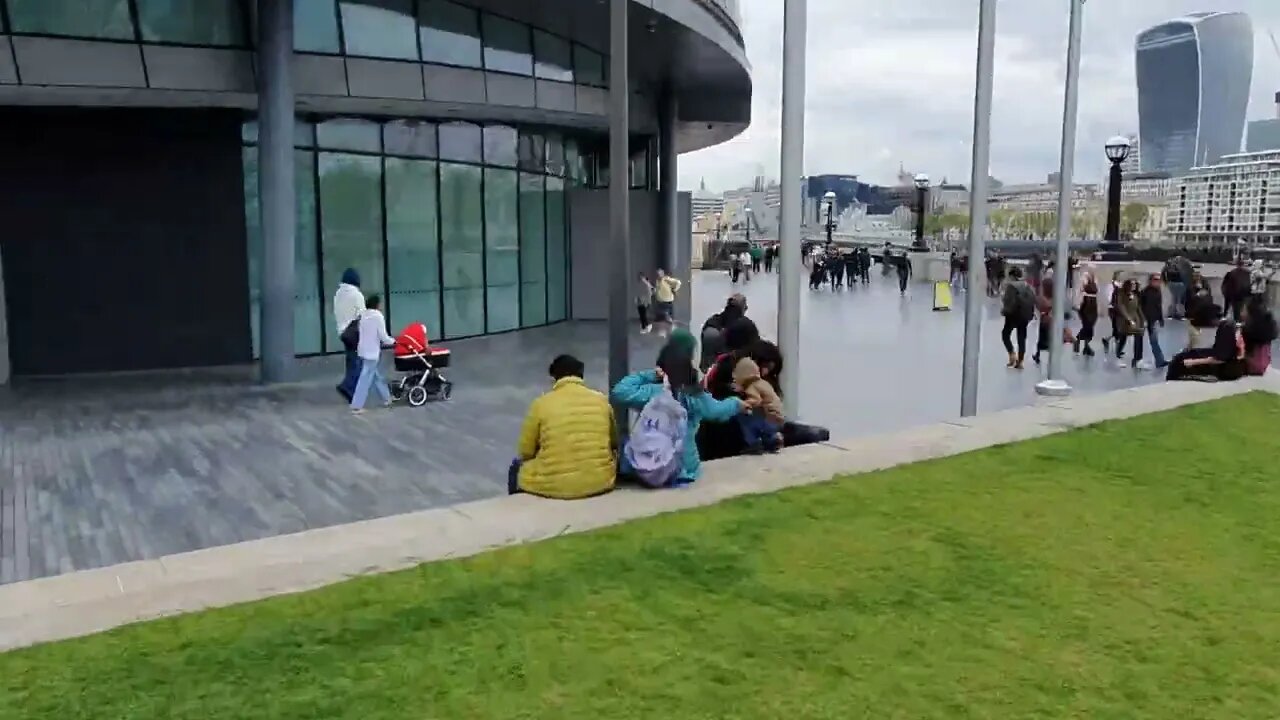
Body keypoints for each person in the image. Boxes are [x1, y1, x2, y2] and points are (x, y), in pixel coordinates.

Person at [611, 341, 746, 486]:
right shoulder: (696, 396)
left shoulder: (653, 392)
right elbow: (717, 411)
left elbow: (619, 392)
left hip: (649, 464)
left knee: (626, 441)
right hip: (684, 467)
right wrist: (737, 403)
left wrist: (650, 375)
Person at [510, 354, 616, 498]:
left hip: (555, 485)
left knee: (516, 467)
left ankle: (516, 503)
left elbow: (525, 452)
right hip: (601, 481)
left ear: (554, 378)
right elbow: (614, 441)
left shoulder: (540, 404)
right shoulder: (601, 400)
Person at [732, 340, 785, 453]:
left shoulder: (757, 383)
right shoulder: (756, 381)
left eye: (770, 370)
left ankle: (754, 442)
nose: (765, 372)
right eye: (764, 366)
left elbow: (755, 401)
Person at [349, 294, 395, 414]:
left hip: (363, 350)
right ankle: (356, 406)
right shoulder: (377, 316)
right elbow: (383, 336)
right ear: (377, 304)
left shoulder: (363, 315)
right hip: (372, 352)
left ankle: (387, 398)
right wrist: (394, 341)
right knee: (365, 378)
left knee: (375, 375)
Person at [1166, 315, 1246, 382]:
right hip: (1219, 359)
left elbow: (1220, 358)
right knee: (1181, 359)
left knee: (1178, 361)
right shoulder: (1234, 349)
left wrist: (1193, 362)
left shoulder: (1230, 357)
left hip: (1218, 365)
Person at [333, 268, 365, 401]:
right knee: (359, 362)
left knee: (351, 361)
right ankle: (348, 387)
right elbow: (363, 315)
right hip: (355, 333)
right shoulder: (356, 295)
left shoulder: (338, 294)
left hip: (343, 332)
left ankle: (350, 387)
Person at [1000, 266, 1036, 369]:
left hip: (1013, 314)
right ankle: (1020, 361)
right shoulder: (1027, 285)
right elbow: (1033, 299)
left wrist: (1004, 311)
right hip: (1025, 315)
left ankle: (1012, 354)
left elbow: (1008, 301)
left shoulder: (1011, 286)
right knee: (1021, 337)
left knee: (1005, 334)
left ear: (1011, 275)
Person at [700, 294, 747, 371]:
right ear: (742, 307)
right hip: (725, 364)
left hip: (710, 362)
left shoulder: (715, 319)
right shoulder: (740, 321)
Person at [1113, 278, 1146, 369]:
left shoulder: (1135, 295)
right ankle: (1118, 357)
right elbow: (1121, 307)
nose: (1134, 286)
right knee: (1123, 338)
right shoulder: (1121, 294)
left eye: (1135, 284)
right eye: (1132, 284)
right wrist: (1128, 319)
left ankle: (1138, 359)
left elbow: (1138, 308)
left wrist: (1143, 320)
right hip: (1124, 321)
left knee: (1139, 336)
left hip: (1135, 320)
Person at [1241, 295, 1278, 375]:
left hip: (1250, 364)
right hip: (1264, 363)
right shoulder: (1268, 323)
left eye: (1244, 309)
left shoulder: (1248, 328)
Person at [1140, 274, 1168, 369]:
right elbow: (1140, 306)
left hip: (1154, 320)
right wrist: (1142, 319)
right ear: (1150, 280)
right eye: (1155, 279)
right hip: (1145, 319)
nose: (1157, 282)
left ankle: (1159, 360)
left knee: (1154, 341)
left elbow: (1158, 306)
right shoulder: (1144, 292)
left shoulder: (1158, 292)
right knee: (1138, 339)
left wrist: (1161, 319)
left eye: (1159, 280)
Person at [1074, 269, 1100, 356]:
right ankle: (1077, 341)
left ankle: (1086, 347)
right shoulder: (1084, 280)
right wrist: (1078, 304)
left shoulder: (1095, 280)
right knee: (1087, 327)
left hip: (1093, 306)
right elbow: (1080, 292)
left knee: (1090, 329)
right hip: (1086, 305)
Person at [652, 269, 682, 338]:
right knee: (661, 316)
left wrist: (674, 289)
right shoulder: (657, 281)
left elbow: (678, 282)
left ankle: (671, 329)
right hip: (660, 301)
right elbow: (657, 290)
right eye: (657, 274)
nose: (658, 275)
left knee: (668, 316)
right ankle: (665, 330)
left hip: (667, 300)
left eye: (659, 274)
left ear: (662, 274)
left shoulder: (666, 279)